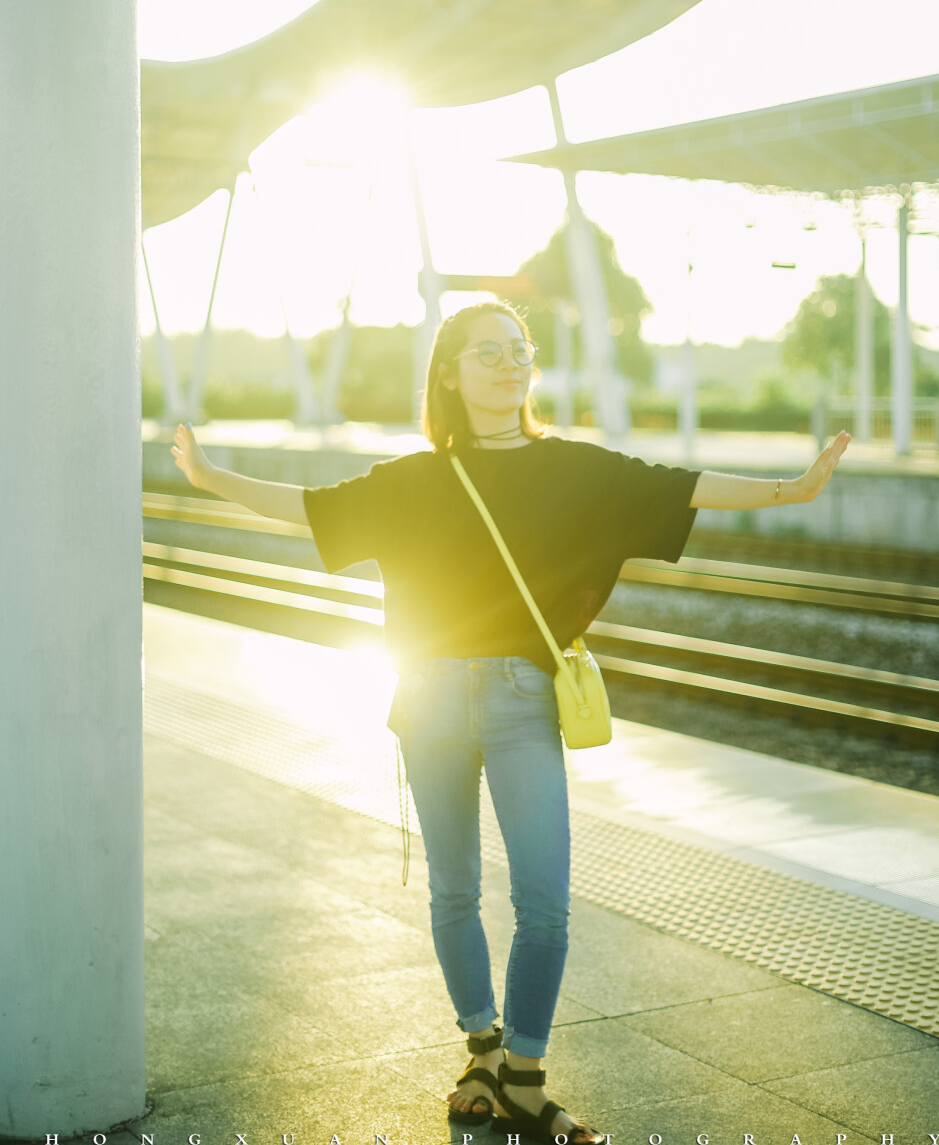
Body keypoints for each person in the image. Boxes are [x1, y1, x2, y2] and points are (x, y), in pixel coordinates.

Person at [171, 300, 850, 1145]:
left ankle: (525, 1074)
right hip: (428, 700)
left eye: (519, 349)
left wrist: (796, 488)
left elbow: (682, 488)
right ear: (450, 372)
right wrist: (209, 477)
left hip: (526, 702)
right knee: (454, 888)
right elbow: (309, 507)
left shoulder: (572, 468)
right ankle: (482, 1049)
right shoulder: (413, 478)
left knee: (545, 901)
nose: (509, 363)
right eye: (487, 352)